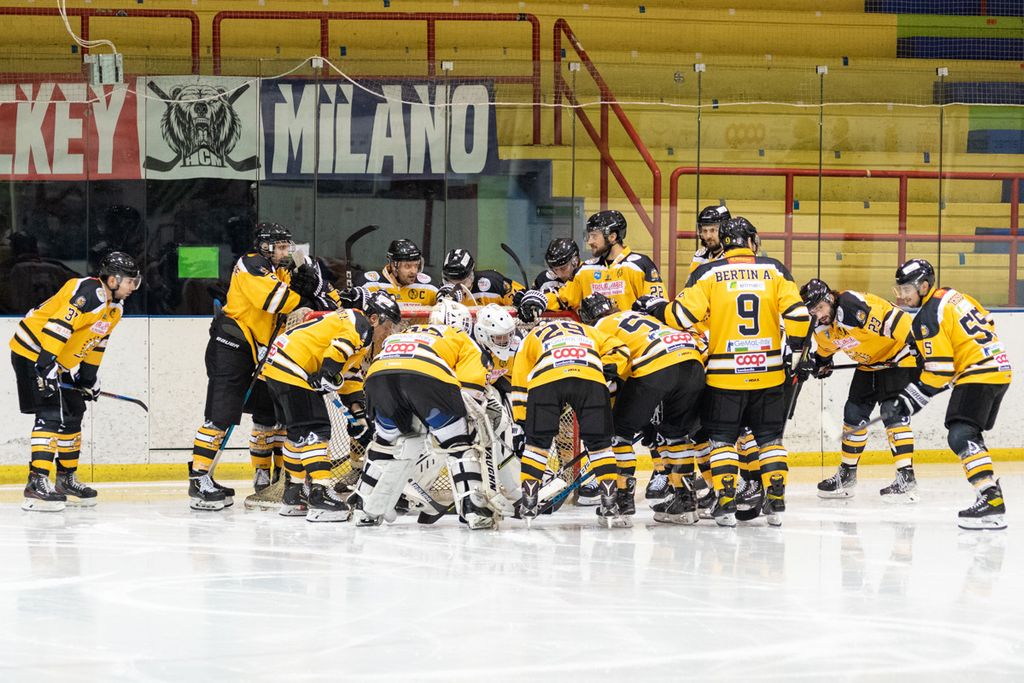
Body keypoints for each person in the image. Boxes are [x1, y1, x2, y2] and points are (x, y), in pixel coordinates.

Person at [640, 217, 810, 526]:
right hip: (769, 374)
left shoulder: (709, 272)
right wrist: (796, 351)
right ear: (751, 241)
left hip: (725, 375)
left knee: (722, 441)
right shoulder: (774, 269)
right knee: (769, 440)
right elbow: (799, 315)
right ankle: (776, 500)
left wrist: (656, 307)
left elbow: (681, 316)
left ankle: (727, 500)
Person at [187, 223, 332, 511]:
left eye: (286, 246)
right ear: (265, 246)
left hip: (261, 349)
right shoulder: (251, 263)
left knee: (270, 415)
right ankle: (199, 479)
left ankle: (267, 476)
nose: (285, 251)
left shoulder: (280, 270)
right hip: (231, 344)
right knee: (220, 416)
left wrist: (308, 286)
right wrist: (303, 296)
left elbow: (304, 298)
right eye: (280, 246)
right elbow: (275, 300)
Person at [883, 259, 1011, 530]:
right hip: (999, 369)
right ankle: (989, 495)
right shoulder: (954, 296)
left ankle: (990, 497)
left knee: (961, 434)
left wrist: (907, 400)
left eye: (907, 289)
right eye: (899, 289)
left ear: (924, 286)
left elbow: (940, 372)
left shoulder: (928, 315)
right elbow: (987, 321)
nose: (902, 295)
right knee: (969, 434)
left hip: (979, 374)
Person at [10, 252, 141, 511]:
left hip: (54, 359)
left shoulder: (114, 309)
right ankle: (36, 483)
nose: (133, 287)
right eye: (129, 281)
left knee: (73, 411)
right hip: (33, 353)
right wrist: (45, 366)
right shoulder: (89, 292)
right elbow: (59, 326)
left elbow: (96, 343)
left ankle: (65, 480)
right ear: (113, 280)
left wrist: (87, 379)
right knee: (50, 413)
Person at [262, 291, 401, 521]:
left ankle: (294, 493)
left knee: (298, 434)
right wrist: (327, 372)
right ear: (375, 318)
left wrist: (358, 415)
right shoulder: (360, 324)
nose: (389, 333)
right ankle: (320, 494)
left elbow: (350, 377)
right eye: (388, 326)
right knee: (317, 430)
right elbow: (338, 349)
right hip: (294, 367)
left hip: (279, 367)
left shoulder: (355, 328)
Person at [354, 311, 494, 529]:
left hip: (378, 376)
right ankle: (473, 508)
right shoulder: (460, 336)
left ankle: (362, 505)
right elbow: (471, 387)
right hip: (426, 377)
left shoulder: (405, 332)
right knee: (458, 443)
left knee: (384, 444)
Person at [578, 293, 704, 523]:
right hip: (692, 361)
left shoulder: (596, 329)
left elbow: (612, 372)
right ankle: (686, 502)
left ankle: (622, 502)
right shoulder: (637, 314)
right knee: (676, 434)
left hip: (655, 364)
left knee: (619, 433)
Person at [799, 278, 920, 502]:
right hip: (869, 364)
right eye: (812, 311)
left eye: (820, 307)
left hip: (898, 358)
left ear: (830, 298)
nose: (818, 314)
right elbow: (826, 350)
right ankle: (847, 475)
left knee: (892, 413)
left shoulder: (852, 306)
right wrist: (821, 364)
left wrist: (918, 346)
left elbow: (896, 320)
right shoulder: (821, 325)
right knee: (853, 414)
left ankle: (906, 478)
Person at [512, 316, 629, 525]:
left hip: (547, 378)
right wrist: (608, 368)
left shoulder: (533, 335)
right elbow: (621, 348)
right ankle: (610, 502)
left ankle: (529, 503)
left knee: (537, 444)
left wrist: (521, 418)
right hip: (589, 376)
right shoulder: (587, 330)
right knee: (600, 445)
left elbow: (520, 373)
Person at [516, 210, 664, 321]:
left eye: (594, 236)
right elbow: (563, 298)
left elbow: (656, 306)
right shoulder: (585, 270)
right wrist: (539, 300)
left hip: (631, 341)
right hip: (596, 342)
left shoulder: (640, 265)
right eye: (589, 236)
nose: (589, 241)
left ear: (612, 237)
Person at [348, 238, 437, 306]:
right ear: (394, 266)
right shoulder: (368, 284)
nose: (414, 271)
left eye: (416, 265)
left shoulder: (430, 287)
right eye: (407, 266)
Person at [436, 248, 524, 306]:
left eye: (462, 282)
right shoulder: (441, 293)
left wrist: (520, 301)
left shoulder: (494, 283)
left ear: (471, 274)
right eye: (451, 282)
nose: (457, 288)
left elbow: (524, 297)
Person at [689, 204, 732, 274]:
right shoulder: (699, 256)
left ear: (725, 230)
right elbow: (692, 280)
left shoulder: (734, 257)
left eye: (713, 230)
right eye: (704, 231)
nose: (708, 236)